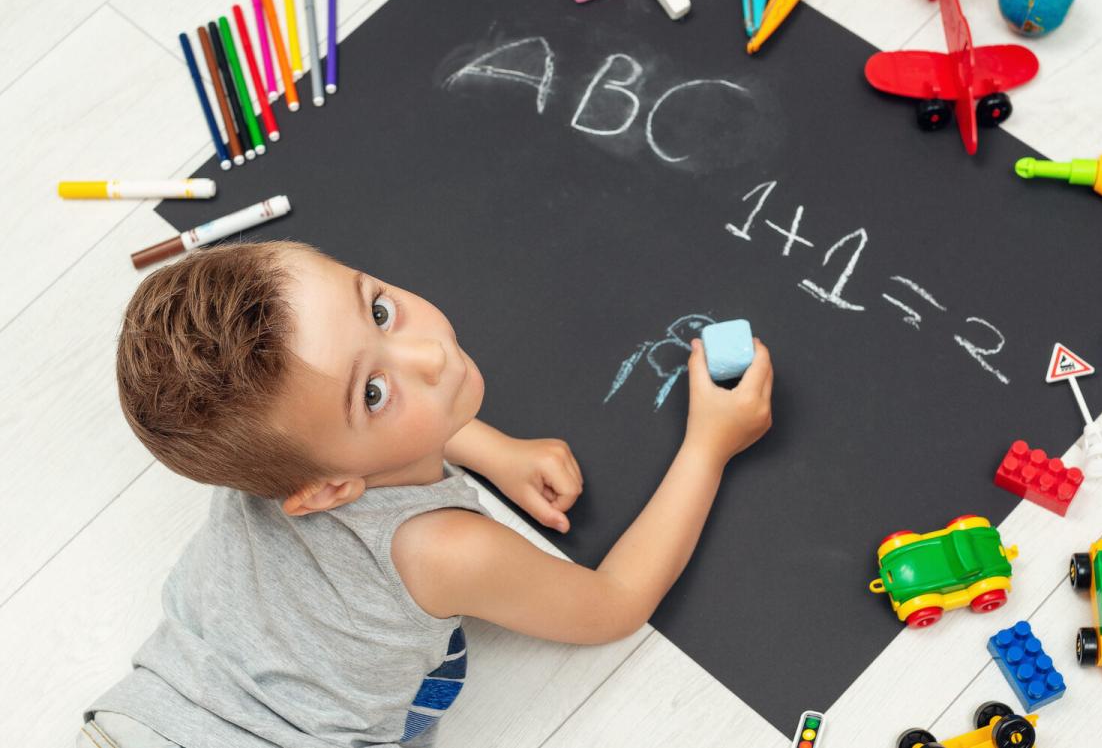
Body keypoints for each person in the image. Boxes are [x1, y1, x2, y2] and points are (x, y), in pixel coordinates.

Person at [81, 240, 773, 748]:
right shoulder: (446, 548)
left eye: (379, 310)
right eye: (374, 392)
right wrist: (707, 445)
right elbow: (613, 605)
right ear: (325, 488)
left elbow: (373, 444)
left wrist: (494, 450)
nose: (432, 355)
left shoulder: (269, 449)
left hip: (140, 716)